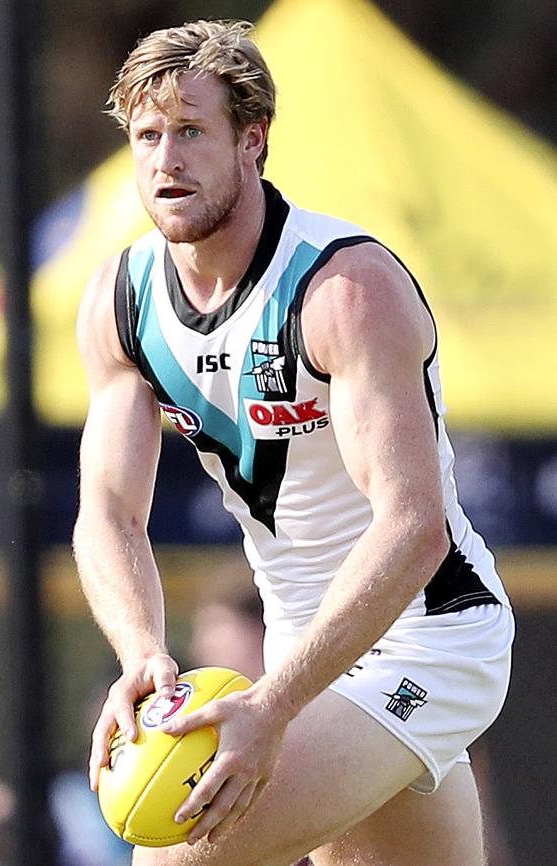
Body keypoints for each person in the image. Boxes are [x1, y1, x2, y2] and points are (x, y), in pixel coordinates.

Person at [72, 19, 515, 866]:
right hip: (301, 650)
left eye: (192, 131)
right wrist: (141, 654)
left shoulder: (343, 288)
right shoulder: (121, 303)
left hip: (428, 636)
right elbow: (108, 513)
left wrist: (275, 704)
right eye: (147, 135)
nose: (166, 159)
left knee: (178, 850)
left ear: (253, 139)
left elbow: (413, 525)